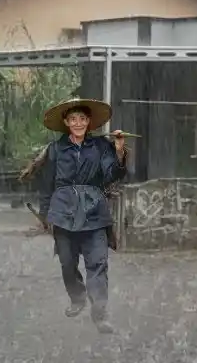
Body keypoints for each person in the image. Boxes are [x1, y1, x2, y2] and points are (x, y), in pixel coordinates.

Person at [34, 98, 129, 335]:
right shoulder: (55, 149)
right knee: (67, 261)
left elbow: (112, 176)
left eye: (83, 119)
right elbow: (46, 184)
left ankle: (100, 314)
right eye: (74, 119)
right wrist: (45, 214)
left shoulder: (100, 147)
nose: (78, 123)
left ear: (89, 122)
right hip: (63, 211)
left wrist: (118, 151)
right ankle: (77, 297)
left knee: (98, 263)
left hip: (94, 210)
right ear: (66, 122)